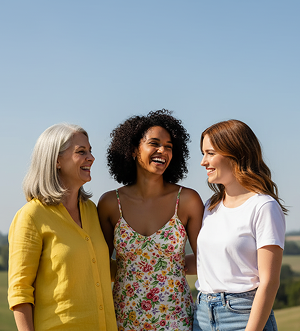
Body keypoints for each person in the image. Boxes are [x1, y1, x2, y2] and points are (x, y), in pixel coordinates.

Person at [98, 109, 204, 331]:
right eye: (154, 143)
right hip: (123, 317)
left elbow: (206, 259)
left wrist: (170, 266)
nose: (162, 150)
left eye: (168, 146)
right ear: (134, 150)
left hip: (176, 317)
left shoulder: (187, 200)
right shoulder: (109, 203)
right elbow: (100, 264)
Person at [8, 124, 117, 331]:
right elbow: (20, 292)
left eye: (90, 151)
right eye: (81, 151)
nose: (91, 158)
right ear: (56, 160)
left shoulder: (92, 211)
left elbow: (100, 268)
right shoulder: (31, 216)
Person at [192, 119, 286, 331]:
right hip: (202, 316)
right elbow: (207, 262)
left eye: (210, 153)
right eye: (203, 153)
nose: (203, 162)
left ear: (235, 153)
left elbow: (269, 281)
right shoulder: (211, 206)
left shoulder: (263, 206)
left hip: (243, 316)